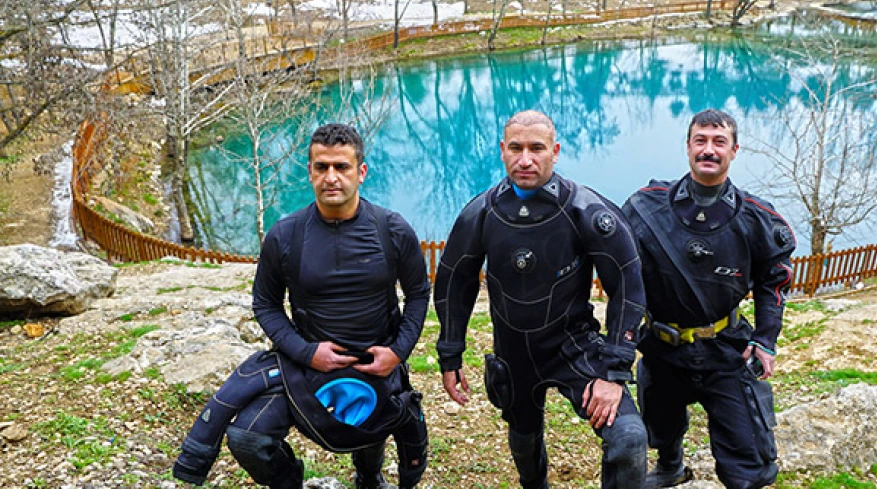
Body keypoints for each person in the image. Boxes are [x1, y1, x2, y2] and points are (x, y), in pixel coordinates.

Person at [172, 123, 430, 489]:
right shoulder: (286, 234)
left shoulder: (392, 230)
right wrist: (307, 352)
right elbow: (265, 304)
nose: (331, 178)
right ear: (309, 171)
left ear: (361, 172)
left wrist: (397, 352)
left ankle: (369, 477)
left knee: (372, 421)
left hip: (376, 362)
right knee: (247, 438)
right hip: (305, 367)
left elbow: (419, 294)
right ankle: (290, 482)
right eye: (321, 167)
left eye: (341, 167)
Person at [434, 110, 648, 489]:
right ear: (502, 150)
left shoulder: (585, 211)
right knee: (523, 437)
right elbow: (455, 282)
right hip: (513, 354)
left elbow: (628, 285)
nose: (526, 159)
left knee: (630, 440)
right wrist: (450, 352)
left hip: (573, 347)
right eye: (516, 148)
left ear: (556, 151)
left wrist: (615, 372)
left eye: (537, 148)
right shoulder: (482, 213)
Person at [621, 109, 795, 489]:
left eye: (719, 142)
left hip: (725, 349)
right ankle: (670, 466)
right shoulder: (645, 207)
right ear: (687, 147)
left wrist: (765, 340)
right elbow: (618, 269)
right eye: (701, 140)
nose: (709, 150)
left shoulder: (756, 218)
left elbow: (775, 281)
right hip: (663, 347)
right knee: (659, 426)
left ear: (734, 150)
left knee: (748, 458)